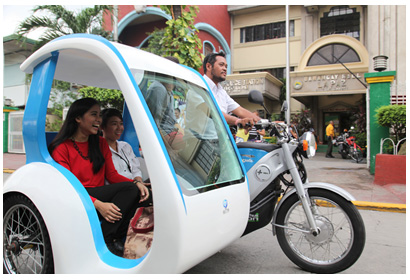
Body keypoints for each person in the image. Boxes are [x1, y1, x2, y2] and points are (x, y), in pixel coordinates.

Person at [48, 98, 150, 257]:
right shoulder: (62, 148)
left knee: (142, 193)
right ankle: (107, 239)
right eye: (94, 115)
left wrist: (138, 184)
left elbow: (112, 175)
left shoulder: (100, 143)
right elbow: (68, 187)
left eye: (99, 115)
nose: (98, 120)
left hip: (98, 191)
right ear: (78, 118)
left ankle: (120, 236)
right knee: (131, 189)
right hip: (76, 195)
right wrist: (98, 204)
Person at [203, 51, 260, 127]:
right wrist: (238, 121)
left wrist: (265, 122)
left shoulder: (221, 91)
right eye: (221, 65)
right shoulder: (199, 86)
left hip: (218, 137)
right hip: (198, 138)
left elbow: (240, 111)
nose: (225, 69)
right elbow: (214, 113)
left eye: (226, 66)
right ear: (209, 66)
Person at [100, 108, 149, 187]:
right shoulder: (99, 149)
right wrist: (136, 185)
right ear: (102, 127)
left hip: (135, 185)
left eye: (121, 123)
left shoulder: (125, 146)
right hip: (121, 188)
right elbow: (110, 177)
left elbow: (135, 169)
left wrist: (139, 181)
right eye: (114, 124)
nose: (119, 128)